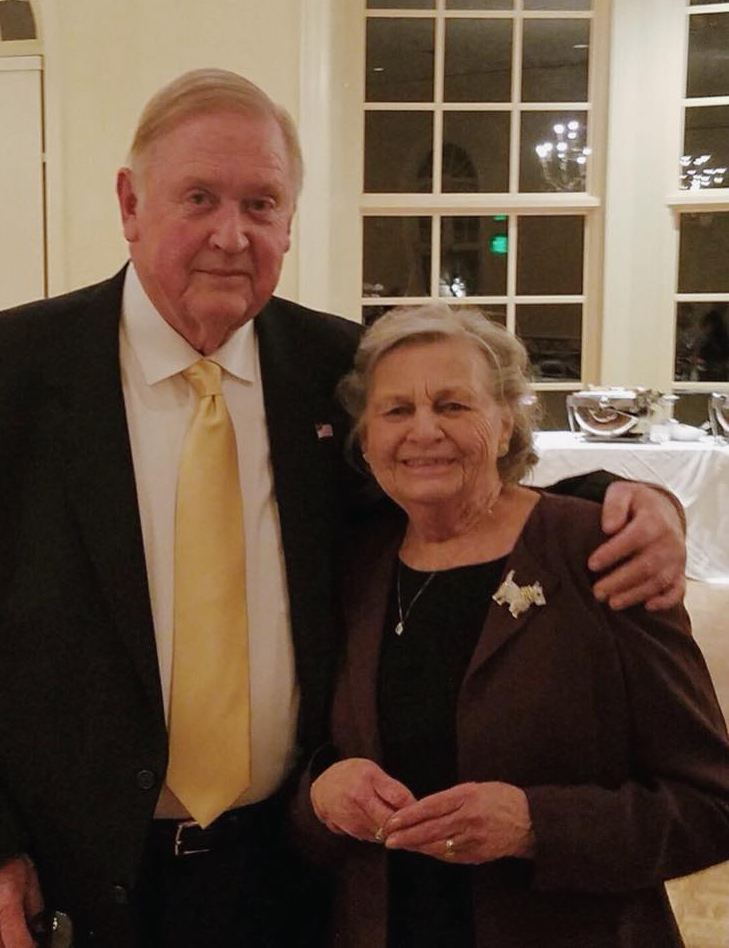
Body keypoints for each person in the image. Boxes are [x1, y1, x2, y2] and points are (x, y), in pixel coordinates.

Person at [0, 69, 686, 948]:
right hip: (65, 879)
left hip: (294, 875)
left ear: (288, 223)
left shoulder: (341, 370)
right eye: (199, 198)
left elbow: (455, 493)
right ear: (130, 204)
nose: (231, 234)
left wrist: (623, 501)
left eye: (261, 204)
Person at [295, 303, 729, 948]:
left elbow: (710, 805)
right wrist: (320, 795)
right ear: (364, 440)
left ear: (505, 425)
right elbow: (310, 757)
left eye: (453, 405)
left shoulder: (601, 551)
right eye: (396, 410)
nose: (423, 430)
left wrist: (535, 826)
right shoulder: (356, 567)